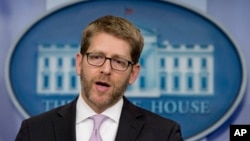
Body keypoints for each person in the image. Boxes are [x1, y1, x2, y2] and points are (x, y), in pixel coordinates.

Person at [15, 15, 184, 141]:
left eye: (118, 61)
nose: (106, 69)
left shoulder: (164, 134)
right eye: (96, 57)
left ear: (133, 73)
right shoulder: (34, 131)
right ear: (79, 63)